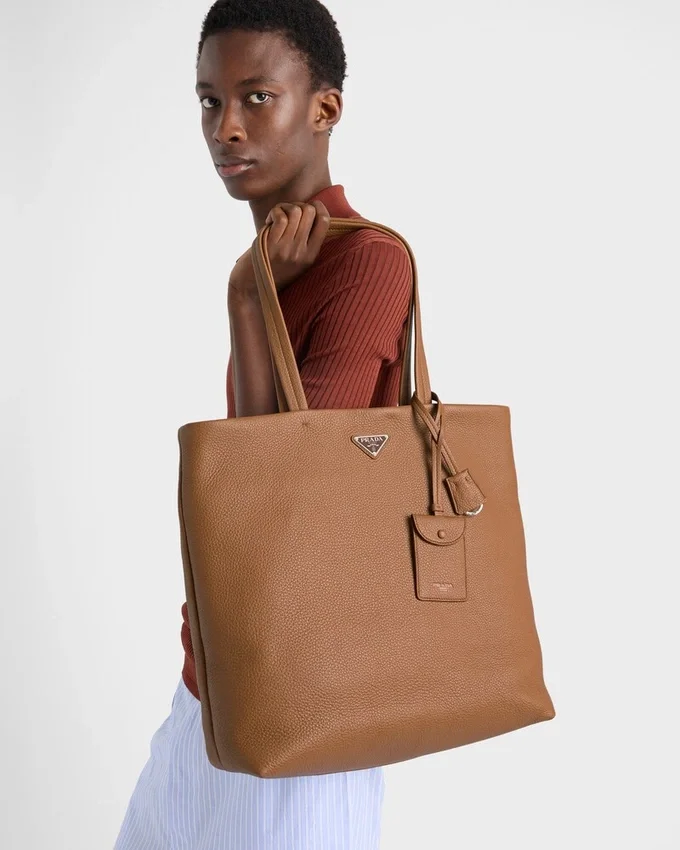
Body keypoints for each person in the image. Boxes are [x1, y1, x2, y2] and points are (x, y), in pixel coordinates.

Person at [114, 1, 412, 847]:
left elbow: (286, 488)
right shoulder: (277, 263)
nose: (227, 128)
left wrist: (249, 302)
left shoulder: (368, 261)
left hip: (305, 703)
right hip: (213, 683)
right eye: (210, 102)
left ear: (325, 107)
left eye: (256, 98)